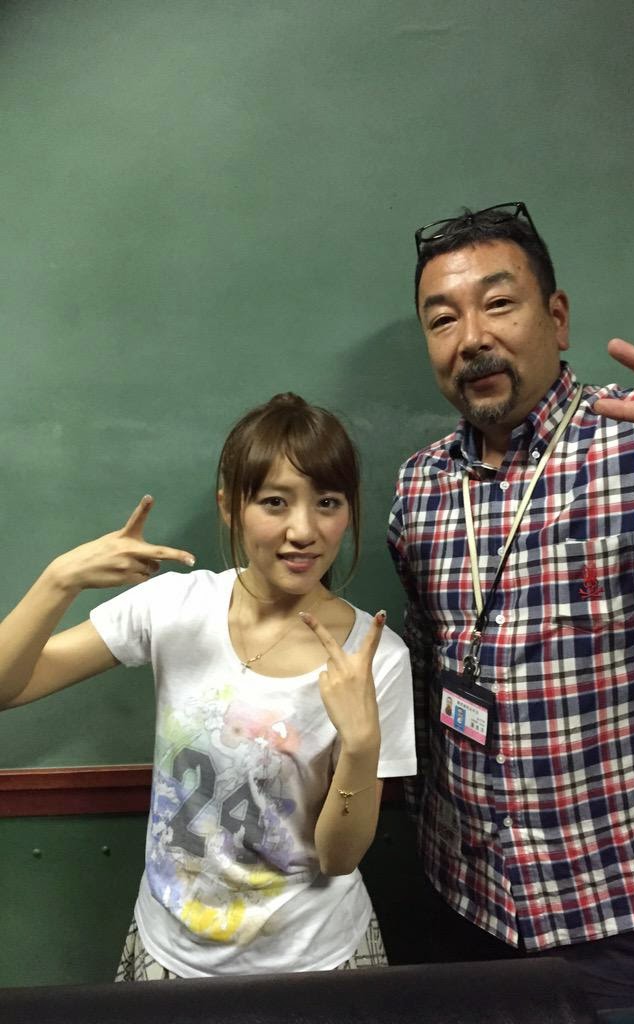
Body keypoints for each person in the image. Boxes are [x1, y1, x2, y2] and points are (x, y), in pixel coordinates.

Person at [387, 202, 634, 1011]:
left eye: (498, 303)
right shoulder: (420, 488)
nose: (471, 337)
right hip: (466, 898)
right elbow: (427, 676)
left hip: (619, 911)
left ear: (556, 319)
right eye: (442, 319)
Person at [0, 392, 416, 979]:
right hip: (171, 952)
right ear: (230, 507)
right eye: (274, 502)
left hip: (314, 961)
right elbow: (7, 687)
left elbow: (338, 858)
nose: (304, 530)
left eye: (328, 502)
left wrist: (361, 746)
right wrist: (59, 580)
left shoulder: (375, 658)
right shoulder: (176, 607)